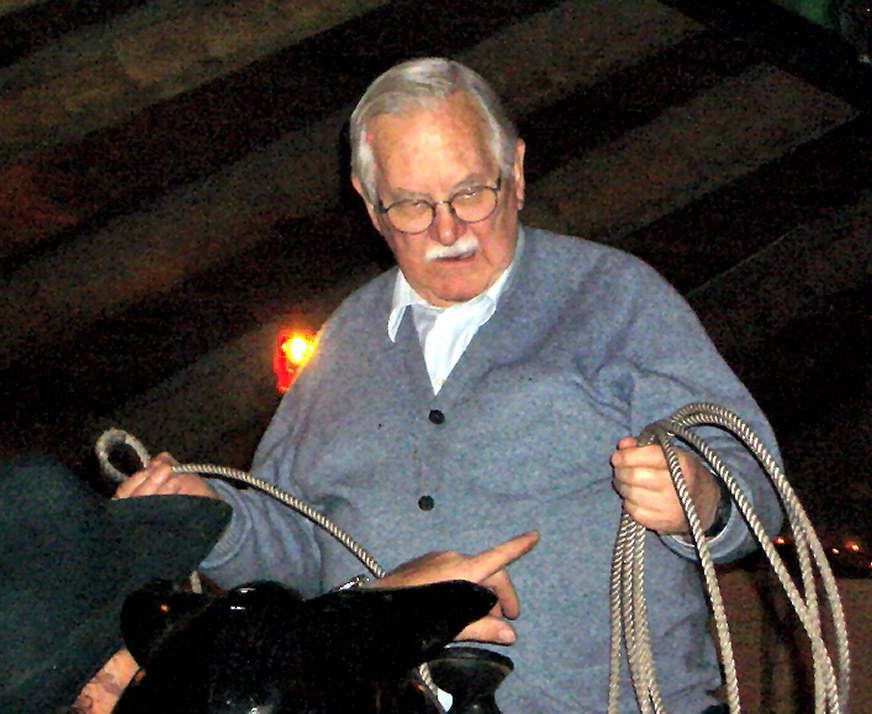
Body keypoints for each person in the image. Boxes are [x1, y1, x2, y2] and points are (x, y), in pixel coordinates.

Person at [137, 57, 783, 712]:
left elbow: (756, 480)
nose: (447, 230)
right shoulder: (341, 344)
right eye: (413, 205)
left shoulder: (615, 299)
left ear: (517, 173)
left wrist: (702, 499)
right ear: (370, 205)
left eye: (471, 193)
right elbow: (296, 549)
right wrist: (207, 517)